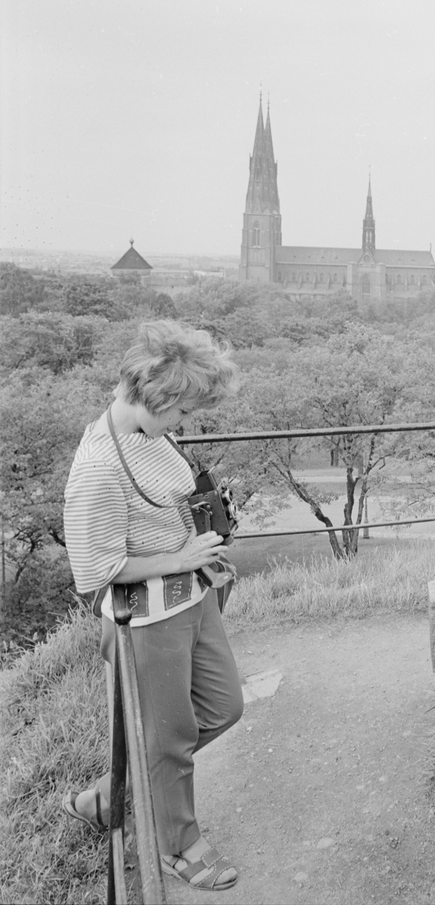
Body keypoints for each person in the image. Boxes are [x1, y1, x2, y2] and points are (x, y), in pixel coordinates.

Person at [62, 320, 243, 891]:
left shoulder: (148, 432)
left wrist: (199, 555)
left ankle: (107, 797)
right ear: (155, 396)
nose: (186, 424)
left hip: (193, 599)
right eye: (183, 412)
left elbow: (165, 509)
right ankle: (179, 846)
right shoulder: (98, 467)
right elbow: (96, 573)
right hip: (147, 620)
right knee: (167, 742)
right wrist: (182, 557)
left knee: (222, 708)